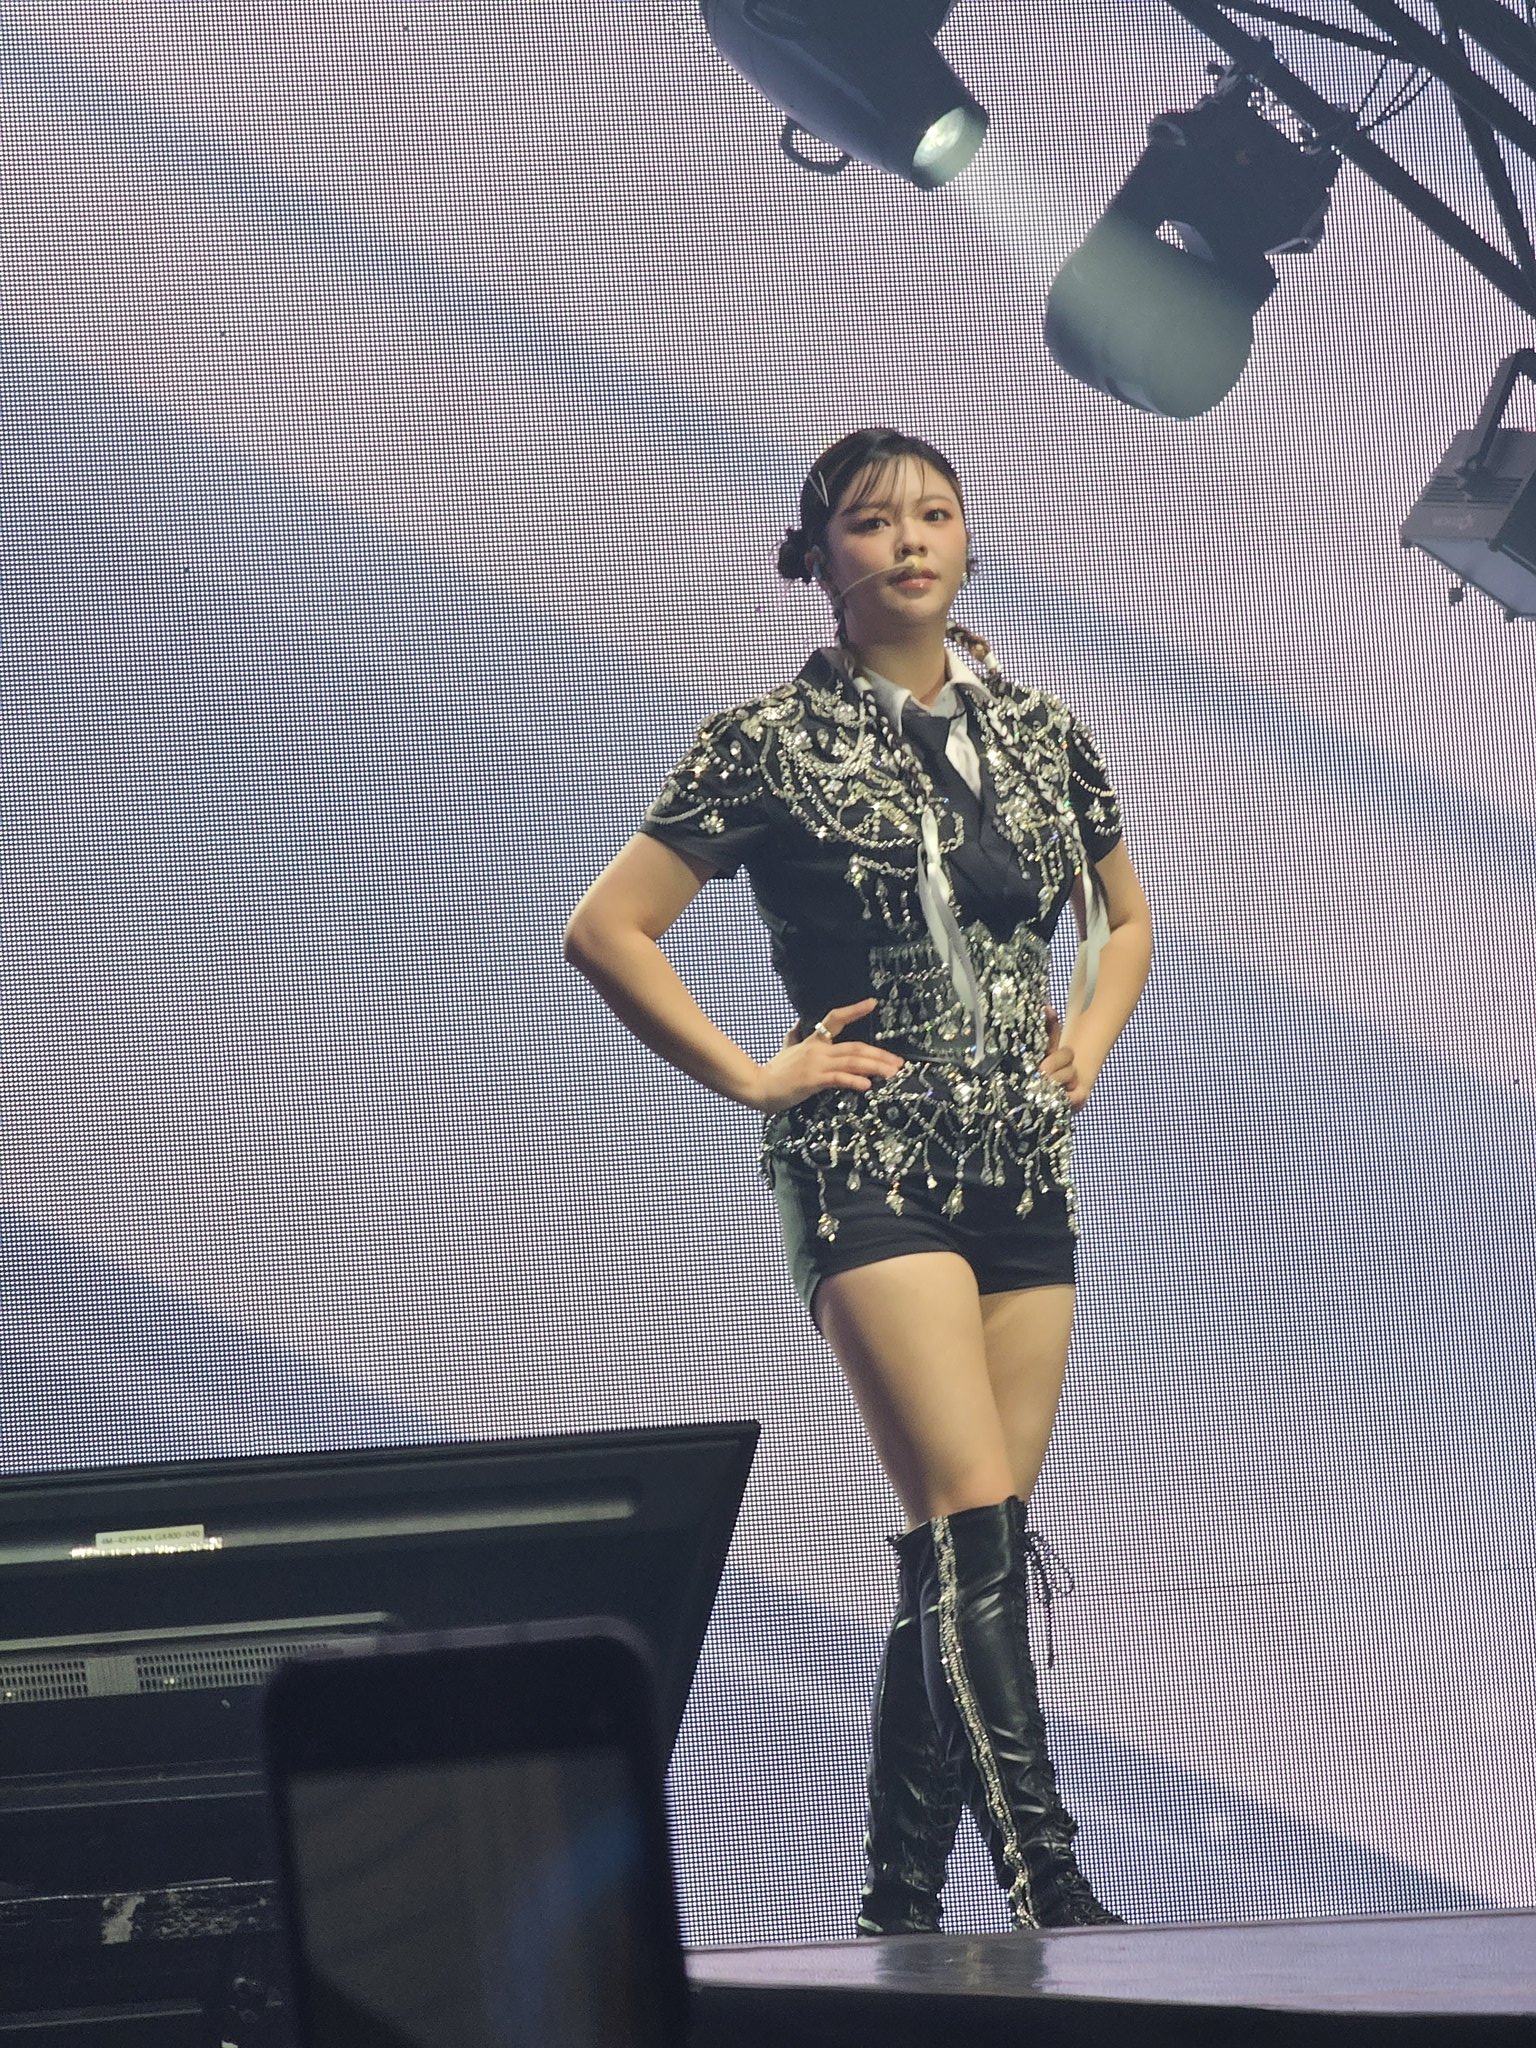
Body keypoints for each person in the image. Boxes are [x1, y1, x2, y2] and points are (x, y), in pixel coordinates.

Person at [563, 428, 1153, 1932]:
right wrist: (752, 1074)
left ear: (968, 541)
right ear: (817, 557)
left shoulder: (1044, 728)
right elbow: (608, 929)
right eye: (875, 522)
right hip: (868, 1166)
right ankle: (1053, 1886)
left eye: (936, 515)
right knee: (967, 1520)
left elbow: (1125, 916)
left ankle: (899, 1905)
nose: (910, 542)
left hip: (1023, 1168)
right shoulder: (763, 742)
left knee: (969, 1555)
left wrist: (1088, 1036)